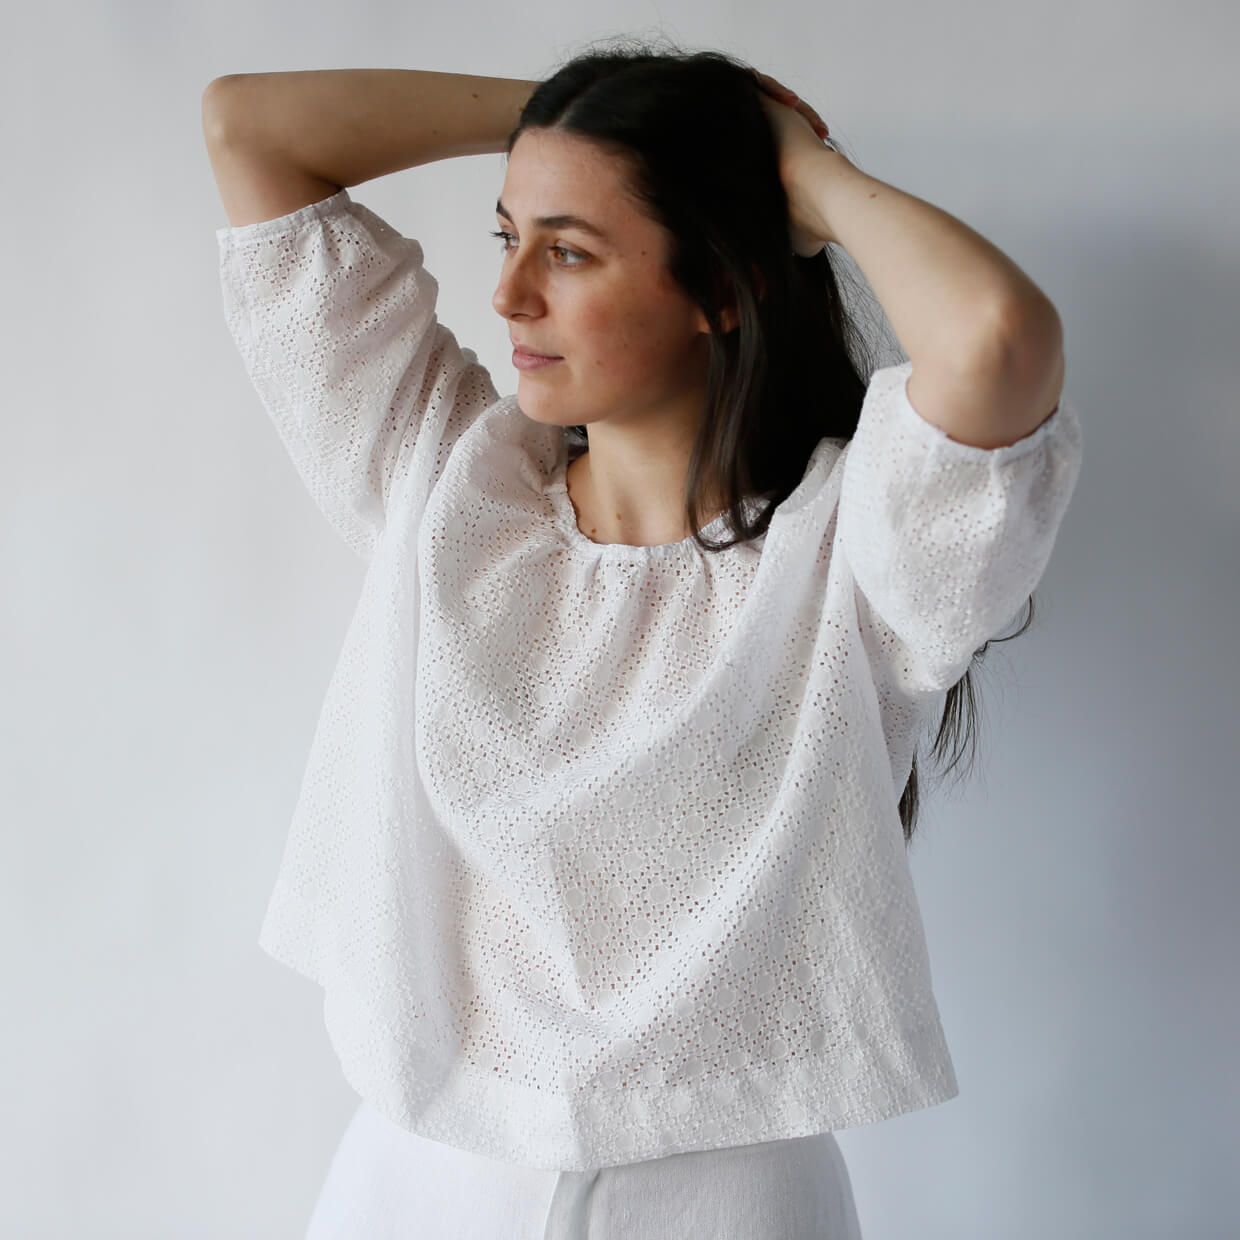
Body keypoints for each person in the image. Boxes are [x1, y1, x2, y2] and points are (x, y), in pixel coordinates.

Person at [204, 38, 1083, 1239]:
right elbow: (249, 129)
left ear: (722, 287)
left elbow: (995, 337)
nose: (510, 296)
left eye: (568, 252)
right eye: (507, 237)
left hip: (725, 1201)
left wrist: (789, 167)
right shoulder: (439, 473)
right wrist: (605, 126)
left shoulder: (853, 553)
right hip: (417, 1186)